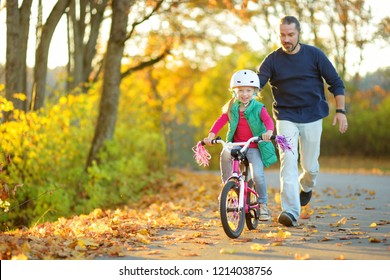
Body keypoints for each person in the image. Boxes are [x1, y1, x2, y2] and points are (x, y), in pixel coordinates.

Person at [257, 16, 348, 227]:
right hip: (285, 117)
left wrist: (341, 111)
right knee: (288, 162)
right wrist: (245, 95)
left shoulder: (314, 55)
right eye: (282, 35)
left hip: (313, 116)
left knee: (310, 167)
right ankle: (290, 211)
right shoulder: (272, 60)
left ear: (299, 34)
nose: (286, 39)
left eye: (290, 35)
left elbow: (336, 83)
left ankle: (306, 186)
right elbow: (257, 83)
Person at [203, 69, 277, 221]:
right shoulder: (232, 107)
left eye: (248, 90)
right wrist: (211, 135)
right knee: (225, 154)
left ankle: (263, 205)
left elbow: (269, 121)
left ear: (255, 91)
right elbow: (221, 121)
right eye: (240, 90)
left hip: (253, 146)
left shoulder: (258, 107)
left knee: (258, 175)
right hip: (236, 144)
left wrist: (269, 132)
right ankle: (227, 187)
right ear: (234, 92)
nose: (244, 94)